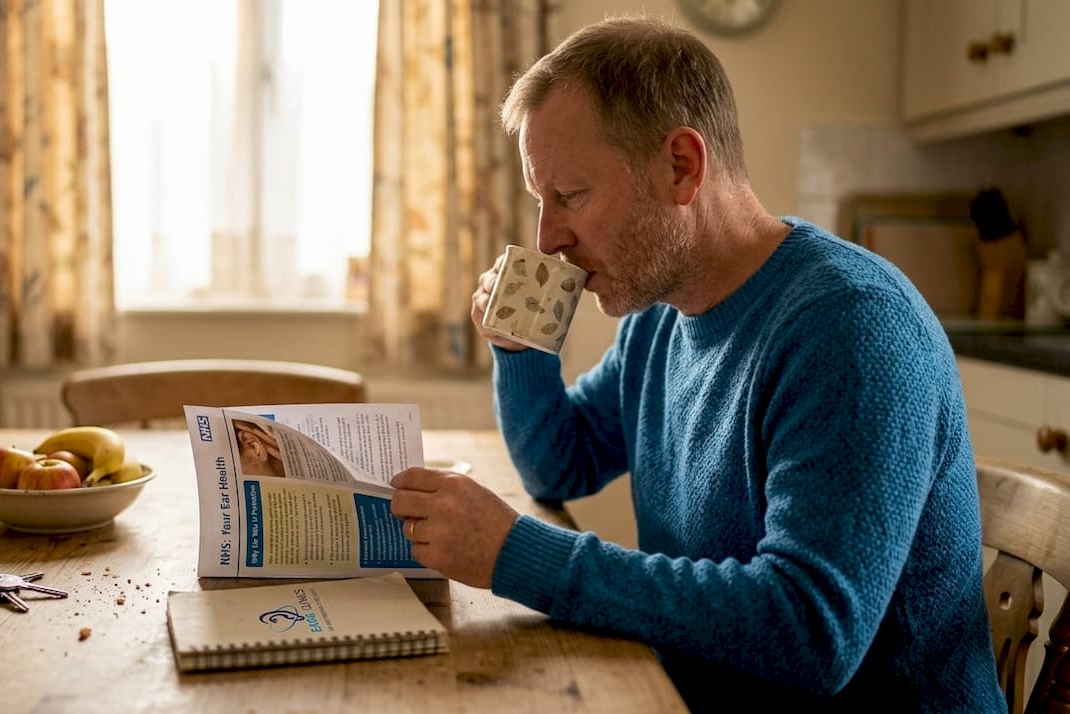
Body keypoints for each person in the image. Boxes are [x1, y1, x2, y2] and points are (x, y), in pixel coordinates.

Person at [389, 14, 1004, 712]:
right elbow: (563, 462)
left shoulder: (851, 327)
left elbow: (810, 631)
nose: (548, 239)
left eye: (570, 196)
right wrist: (519, 346)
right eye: (541, 200)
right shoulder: (661, 313)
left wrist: (515, 556)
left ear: (681, 165)